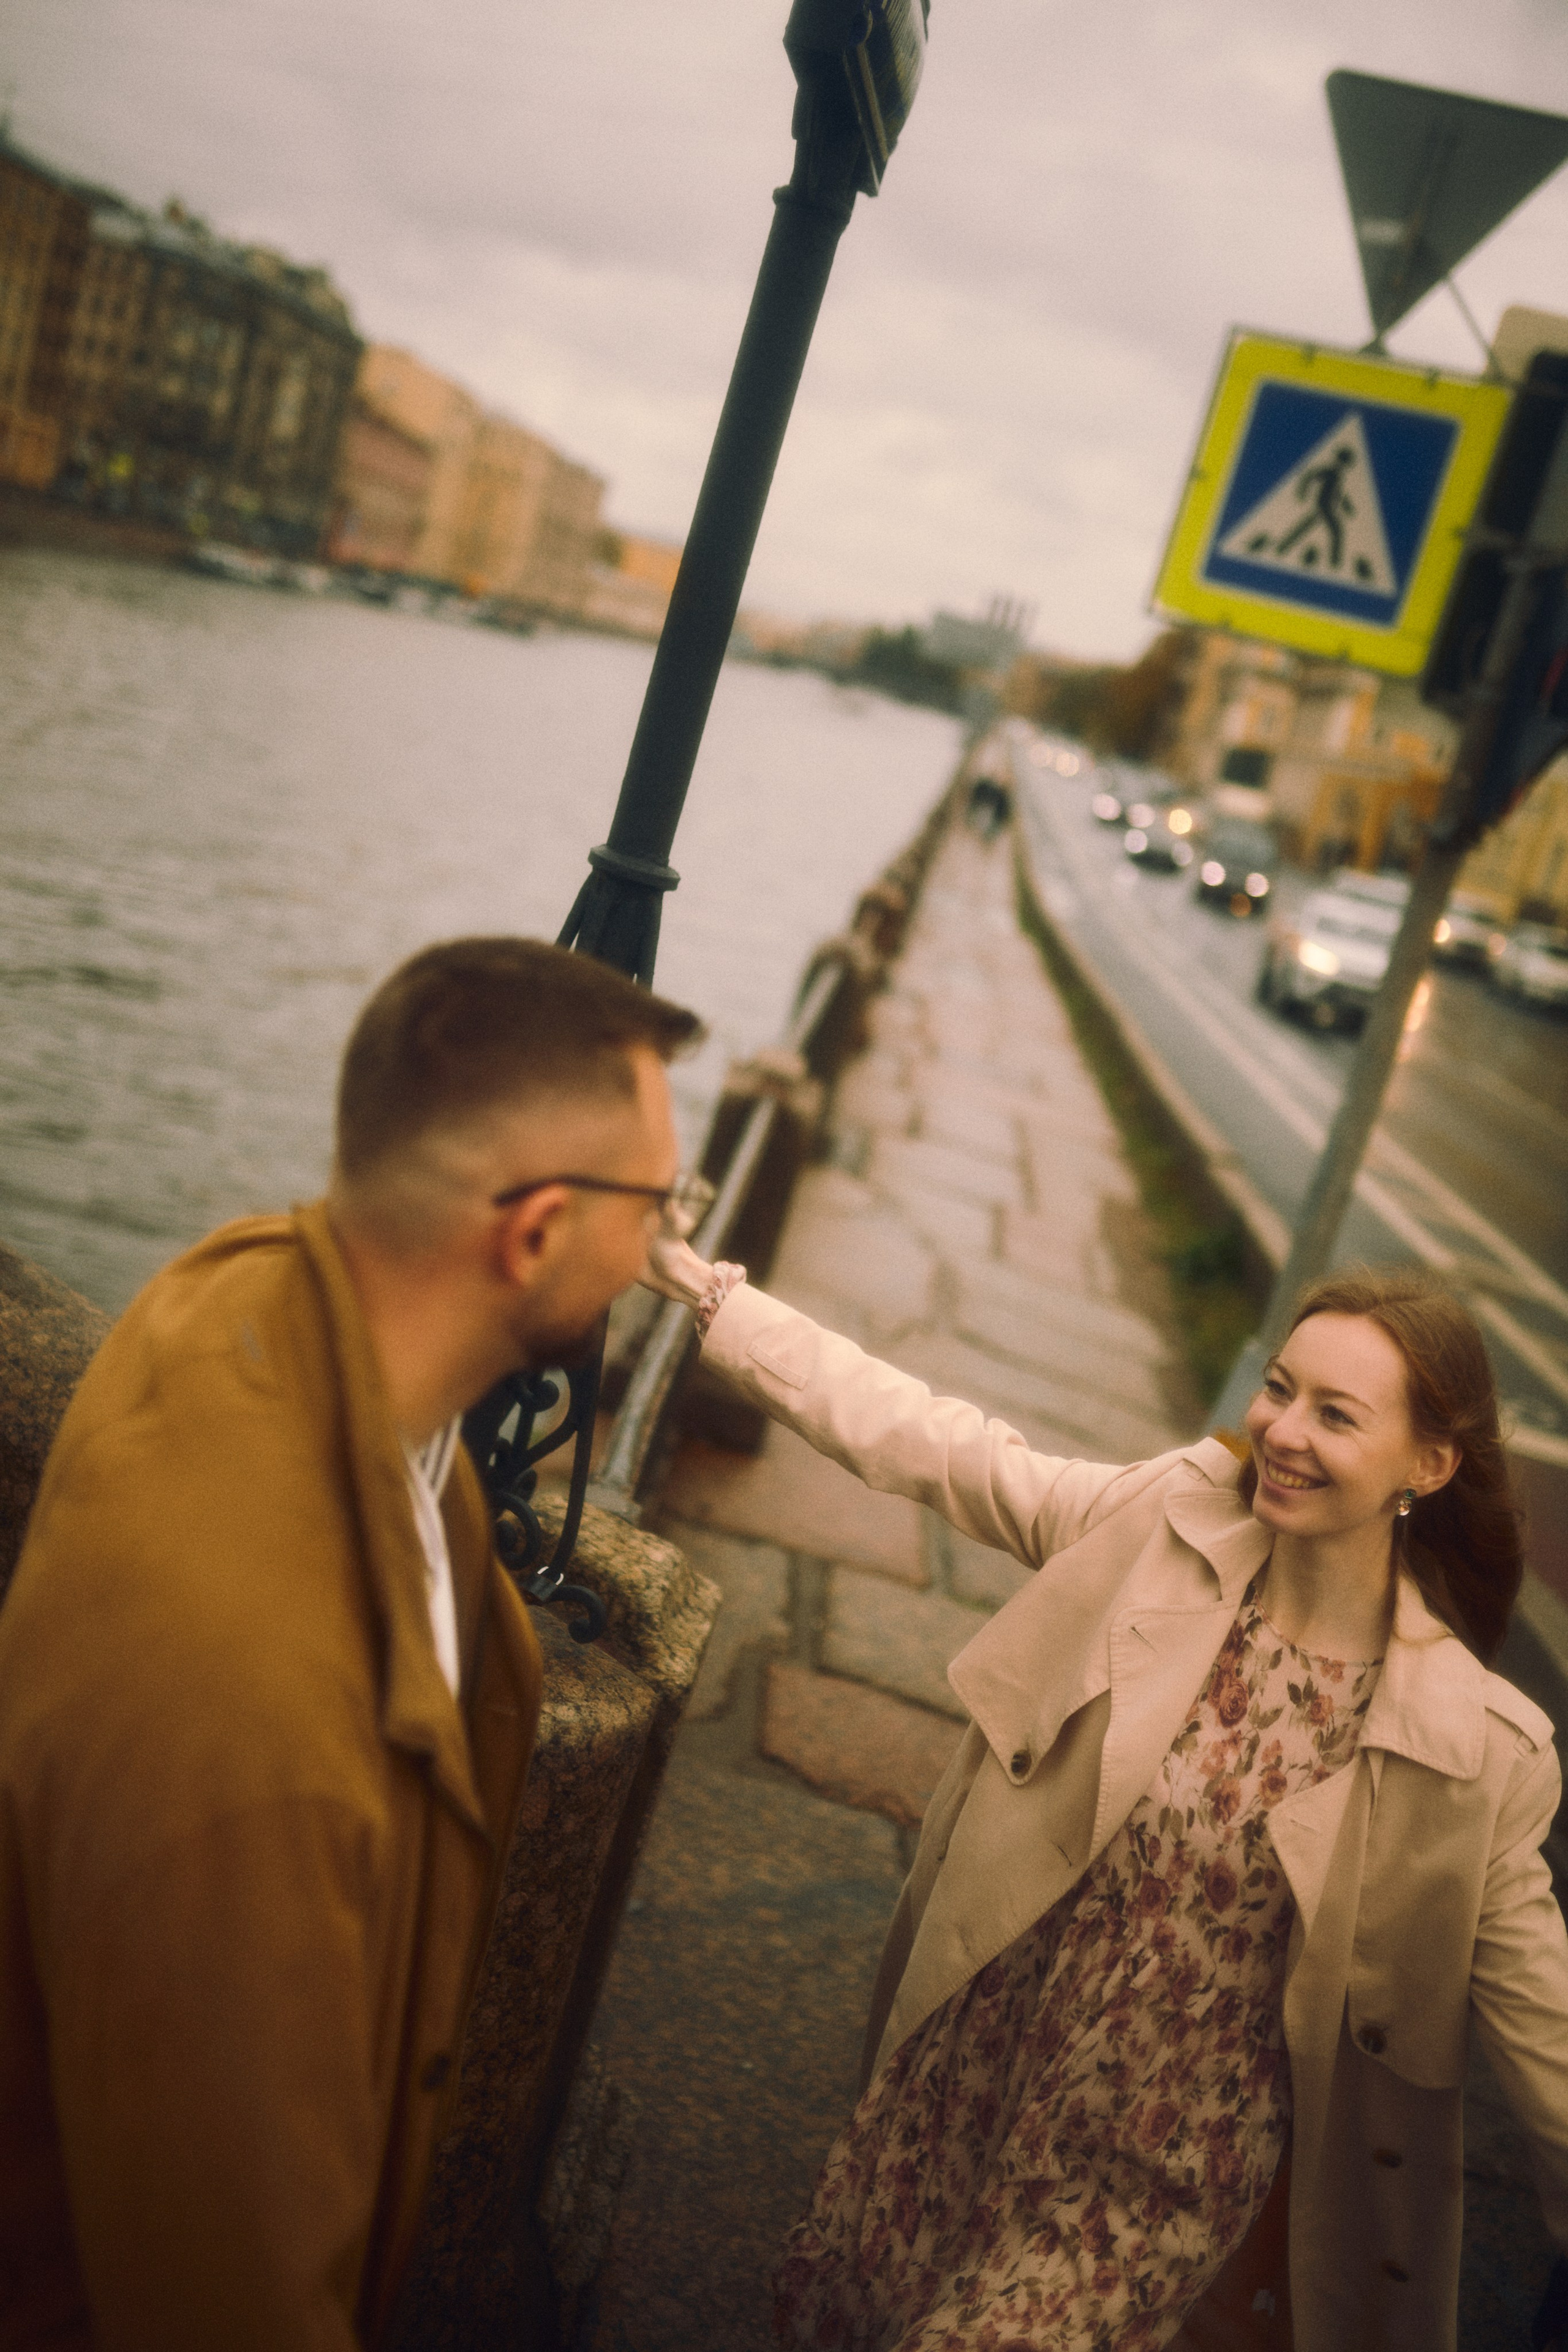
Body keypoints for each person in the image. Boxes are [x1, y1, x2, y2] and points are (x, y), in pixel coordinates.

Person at [642, 1239, 1568, 2351]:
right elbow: (946, 1451)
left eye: (1337, 1414)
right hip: (975, 2066)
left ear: (1428, 1465)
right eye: (1281, 1389)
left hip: (1154, 2176)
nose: (1282, 1430)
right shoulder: (1165, 1524)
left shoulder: (1478, 1756)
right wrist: (715, 1301)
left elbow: (1542, 2023)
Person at [0, 936, 701, 2351]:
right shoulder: (263, 1748)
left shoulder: (242, 1287)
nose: (666, 1250)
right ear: (534, 1232)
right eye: (655, 1204)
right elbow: (226, 2294)